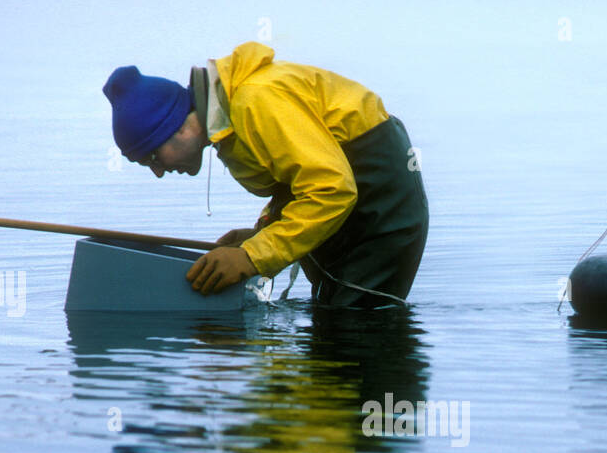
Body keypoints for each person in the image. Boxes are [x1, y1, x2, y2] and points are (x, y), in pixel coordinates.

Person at [102, 42, 429, 308]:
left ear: (177, 126)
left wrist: (251, 257)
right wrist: (260, 234)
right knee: (333, 311)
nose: (158, 172)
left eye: (152, 157)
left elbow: (332, 189)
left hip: (380, 198)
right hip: (353, 192)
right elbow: (296, 179)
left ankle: (385, 393)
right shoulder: (228, 117)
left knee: (357, 320)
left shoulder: (255, 101)